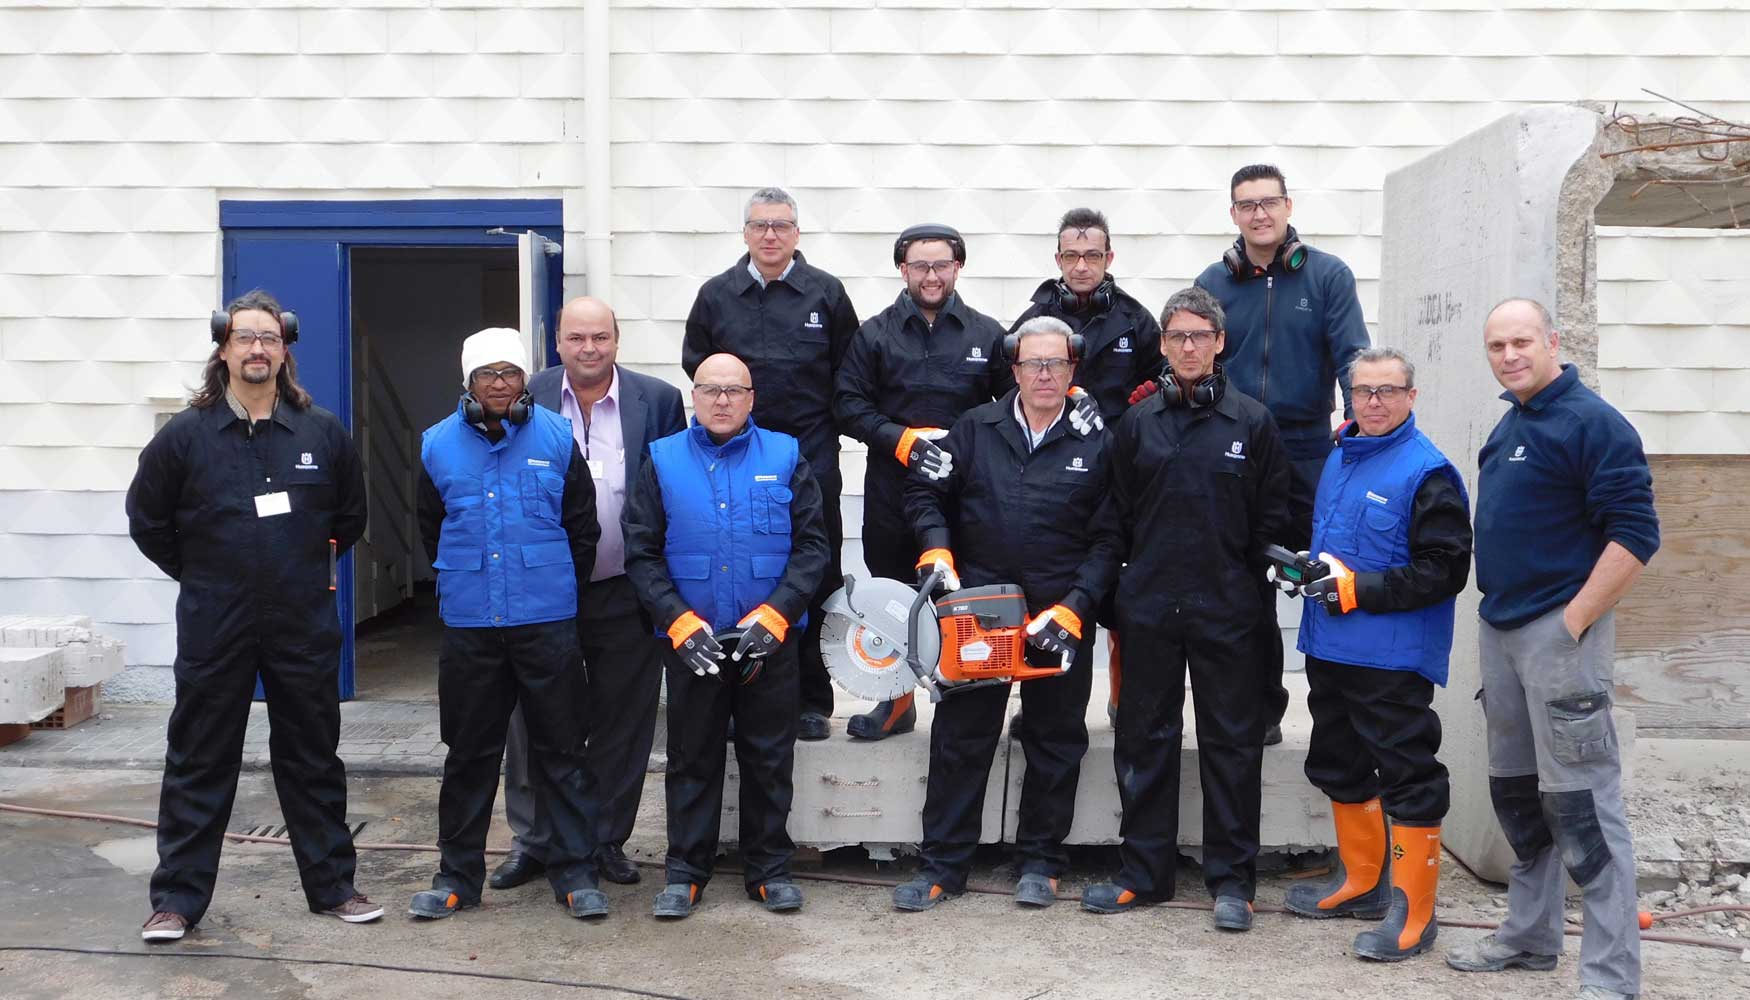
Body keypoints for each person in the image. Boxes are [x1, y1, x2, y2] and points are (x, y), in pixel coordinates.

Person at [127, 289, 381, 941]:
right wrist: (208, 577)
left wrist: (293, 570)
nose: (258, 348)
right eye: (245, 337)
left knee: (312, 758)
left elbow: (348, 517)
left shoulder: (320, 433)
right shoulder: (186, 437)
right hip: (217, 624)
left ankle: (333, 889)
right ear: (224, 348)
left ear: (285, 348)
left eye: (269, 337)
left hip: (301, 625)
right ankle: (178, 901)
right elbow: (147, 519)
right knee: (199, 758)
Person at [1445, 299, 1659, 1000]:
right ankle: (1530, 937)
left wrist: (1572, 624)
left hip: (1559, 639)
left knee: (1584, 810)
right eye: (1496, 345)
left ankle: (1610, 977)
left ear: (1552, 342)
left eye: (1521, 342)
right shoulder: (1511, 423)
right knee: (1518, 799)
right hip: (1502, 632)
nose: (1509, 355)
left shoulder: (1593, 424)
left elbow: (1635, 535)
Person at [890, 316, 1117, 912]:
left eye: (1057, 363)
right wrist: (935, 548)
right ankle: (943, 864)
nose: (1045, 373)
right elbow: (923, 492)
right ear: (1013, 370)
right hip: (979, 613)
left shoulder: (1099, 442)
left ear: (1073, 370)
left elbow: (1112, 536)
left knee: (1055, 736)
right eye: (1033, 363)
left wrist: (1078, 605)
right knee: (962, 737)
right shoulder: (974, 429)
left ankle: (1041, 860)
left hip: (1057, 614)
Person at [1083, 286, 1290, 932]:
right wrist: (1118, 599)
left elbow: (1274, 522)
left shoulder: (1252, 423)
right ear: (1164, 346)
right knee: (1144, 742)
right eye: (1177, 337)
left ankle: (1234, 883)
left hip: (1228, 611)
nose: (1190, 346)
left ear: (1220, 342)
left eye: (1201, 335)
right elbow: (1111, 521)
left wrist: (1261, 589)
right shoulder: (1138, 424)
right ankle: (1145, 874)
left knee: (1232, 747)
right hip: (1149, 610)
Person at [1275, 347, 1471, 962]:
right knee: (1338, 765)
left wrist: (1361, 589)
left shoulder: (1428, 472)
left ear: (1411, 397)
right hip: (1330, 648)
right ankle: (1361, 883)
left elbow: (1446, 570)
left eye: (1387, 391)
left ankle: (1414, 916)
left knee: (1409, 777)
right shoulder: (1342, 455)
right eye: (1363, 391)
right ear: (1349, 398)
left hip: (1391, 659)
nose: (1374, 402)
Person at [408, 328, 608, 922]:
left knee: (562, 750)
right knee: (468, 754)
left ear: (527, 380)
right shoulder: (436, 445)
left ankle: (575, 872)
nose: (500, 384)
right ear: (467, 382)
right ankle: (457, 876)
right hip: (471, 626)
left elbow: (583, 529)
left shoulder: (557, 436)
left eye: (510, 373)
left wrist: (553, 589)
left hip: (546, 623)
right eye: (487, 374)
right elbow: (429, 527)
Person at [623, 353, 831, 919]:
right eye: (710, 389)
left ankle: (769, 870)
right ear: (693, 395)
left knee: (769, 757)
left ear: (750, 398)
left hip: (768, 639)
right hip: (693, 640)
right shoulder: (663, 460)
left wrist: (778, 614)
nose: (721, 400)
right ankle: (686, 871)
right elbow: (641, 553)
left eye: (733, 391)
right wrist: (677, 620)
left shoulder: (786, 455)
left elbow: (813, 548)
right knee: (692, 758)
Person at [491, 297, 686, 892]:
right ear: (557, 343)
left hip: (626, 589)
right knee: (533, 719)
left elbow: (670, 488)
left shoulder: (657, 401)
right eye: (576, 338)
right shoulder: (528, 396)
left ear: (617, 339)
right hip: (544, 591)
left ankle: (604, 839)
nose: (589, 349)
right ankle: (535, 840)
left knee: (622, 720)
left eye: (600, 337)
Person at [1186, 164, 1371, 746]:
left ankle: (1337, 721)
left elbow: (1352, 354)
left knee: (1327, 579)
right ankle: (1260, 712)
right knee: (1245, 588)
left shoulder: (1329, 276)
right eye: (1247, 204)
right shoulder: (1213, 281)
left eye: (1269, 202)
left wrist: (1358, 421)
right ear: (1233, 214)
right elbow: (1194, 359)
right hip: (1235, 450)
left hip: (1311, 449)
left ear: (1288, 206)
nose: (1259, 213)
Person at [683, 187, 859, 742]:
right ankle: (735, 694)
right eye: (760, 225)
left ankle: (812, 698)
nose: (770, 236)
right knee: (737, 566)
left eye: (781, 225)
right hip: (731, 462)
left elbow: (848, 375)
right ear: (745, 233)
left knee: (813, 574)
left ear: (797, 233)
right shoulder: (716, 297)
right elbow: (700, 368)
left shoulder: (826, 293)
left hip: (809, 457)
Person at [833, 222, 1007, 741]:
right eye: (919, 266)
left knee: (959, 594)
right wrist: (900, 440)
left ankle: (961, 693)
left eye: (941, 265)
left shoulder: (986, 334)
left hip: (962, 489)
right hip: (892, 486)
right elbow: (847, 405)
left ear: (958, 268)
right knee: (891, 594)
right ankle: (897, 703)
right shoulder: (874, 335)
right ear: (902, 269)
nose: (931, 276)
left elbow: (1010, 405)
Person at [1009, 208, 1163, 727]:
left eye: (1091, 255)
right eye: (1071, 256)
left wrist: (1140, 403)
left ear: (1108, 258)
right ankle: (1038, 696)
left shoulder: (1136, 320)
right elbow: (1009, 376)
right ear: (1058, 259)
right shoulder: (1033, 316)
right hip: (1055, 475)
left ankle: (1123, 701)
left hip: (1121, 472)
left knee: (1124, 593)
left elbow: (1166, 385)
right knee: (1052, 588)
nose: (1081, 265)